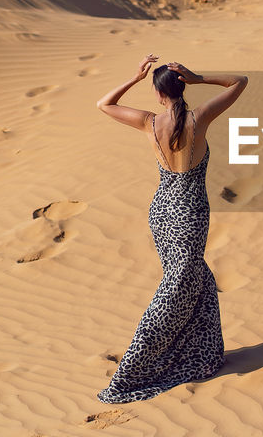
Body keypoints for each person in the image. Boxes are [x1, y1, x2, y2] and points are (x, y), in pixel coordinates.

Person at [94, 54, 248, 403]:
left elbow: (104, 104)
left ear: (157, 92)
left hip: (162, 211)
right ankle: (133, 369)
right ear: (181, 87)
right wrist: (198, 78)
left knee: (195, 279)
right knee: (177, 287)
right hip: (190, 212)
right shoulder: (199, 118)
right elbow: (241, 81)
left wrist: (134, 77)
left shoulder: (148, 122)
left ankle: (203, 356)